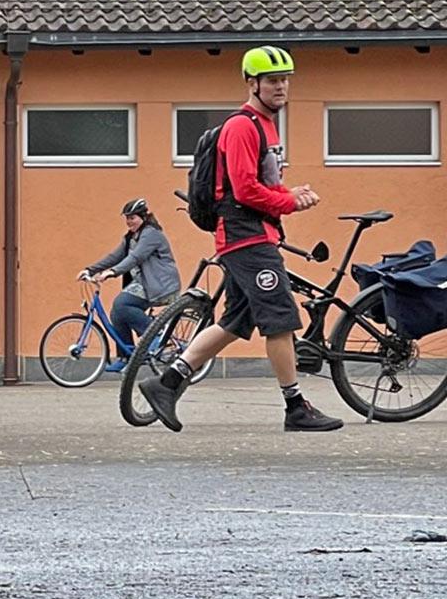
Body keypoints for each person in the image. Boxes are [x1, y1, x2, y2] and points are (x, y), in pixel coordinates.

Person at [139, 46, 342, 432]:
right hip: (245, 237)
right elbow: (245, 190)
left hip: (254, 234)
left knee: (235, 321)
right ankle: (296, 407)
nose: (281, 86)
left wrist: (289, 192)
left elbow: (262, 182)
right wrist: (289, 204)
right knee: (281, 320)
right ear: (252, 83)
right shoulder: (241, 127)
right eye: (272, 80)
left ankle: (167, 384)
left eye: (285, 79)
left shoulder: (267, 126)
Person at [78, 198, 181, 372]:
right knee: (117, 313)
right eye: (127, 218)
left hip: (161, 285)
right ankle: (126, 356)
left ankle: (156, 336)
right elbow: (115, 256)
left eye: (132, 217)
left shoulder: (151, 234)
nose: (128, 222)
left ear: (143, 217)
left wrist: (113, 272)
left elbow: (136, 257)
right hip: (144, 284)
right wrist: (90, 269)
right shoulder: (131, 237)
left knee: (122, 304)